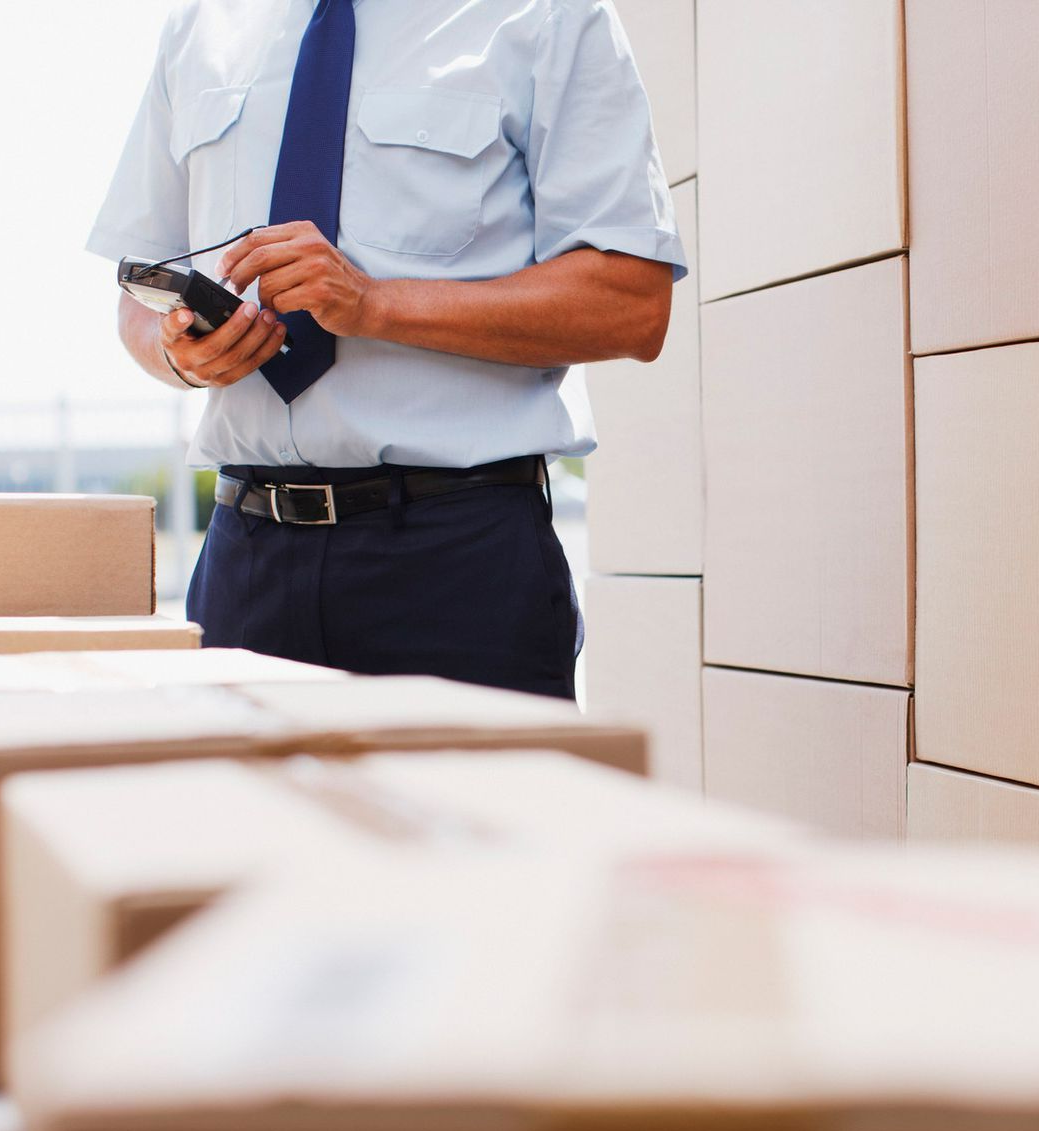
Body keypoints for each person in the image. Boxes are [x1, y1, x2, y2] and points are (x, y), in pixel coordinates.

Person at [89, 0, 685, 700]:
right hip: (243, 567)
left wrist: (375, 305)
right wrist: (180, 357)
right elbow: (137, 292)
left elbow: (631, 303)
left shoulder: (547, 15)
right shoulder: (202, 28)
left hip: (457, 568)